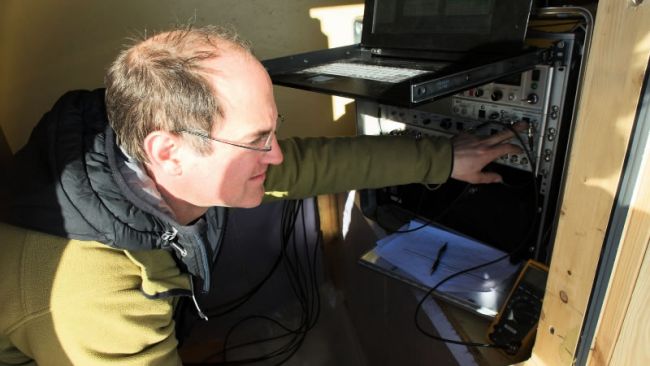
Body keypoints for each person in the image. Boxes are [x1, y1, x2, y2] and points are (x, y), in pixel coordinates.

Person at [0, 25, 521, 365]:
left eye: (271, 132)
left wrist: (446, 158)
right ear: (167, 152)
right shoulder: (90, 295)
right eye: (256, 142)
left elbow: (303, 163)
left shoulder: (142, 152)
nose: (274, 155)